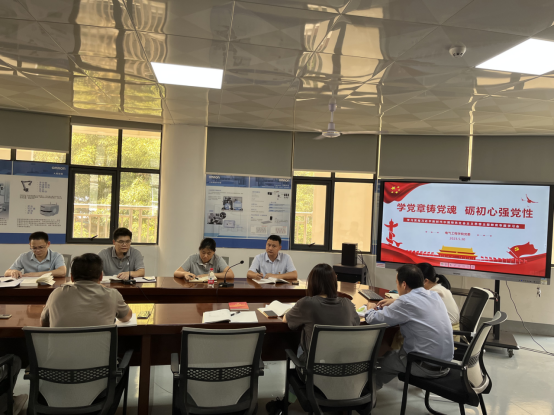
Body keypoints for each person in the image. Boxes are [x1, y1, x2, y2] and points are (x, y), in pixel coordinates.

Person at [266, 264, 359, 414]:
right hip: (347, 372)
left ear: (312, 283)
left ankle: (285, 403)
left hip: (315, 374)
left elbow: (286, 321)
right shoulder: (347, 304)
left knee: (302, 345)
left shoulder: (307, 303)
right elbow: (356, 323)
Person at [365, 265, 454, 390]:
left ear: (404, 284)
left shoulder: (406, 302)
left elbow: (374, 319)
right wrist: (395, 302)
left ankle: (366, 394)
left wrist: (369, 308)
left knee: (380, 363)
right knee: (392, 354)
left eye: (397, 283)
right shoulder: (434, 296)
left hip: (424, 366)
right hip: (445, 364)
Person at [41, 253, 133, 327]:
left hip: (61, 346)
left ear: (72, 277)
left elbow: (45, 323)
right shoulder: (112, 294)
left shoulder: (56, 293)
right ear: (101, 276)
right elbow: (127, 317)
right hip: (99, 346)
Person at [417, 263, 460, 329]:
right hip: (446, 329)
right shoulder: (439, 288)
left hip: (448, 332)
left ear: (425, 281)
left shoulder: (434, 292)